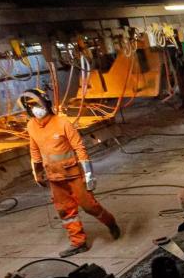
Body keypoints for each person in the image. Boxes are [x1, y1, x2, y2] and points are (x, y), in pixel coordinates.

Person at [19, 89, 121, 257]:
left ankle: (110, 223)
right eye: (31, 106)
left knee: (89, 206)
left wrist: (89, 175)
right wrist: (37, 172)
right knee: (65, 211)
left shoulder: (62, 123)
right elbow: (34, 150)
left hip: (73, 174)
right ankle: (78, 242)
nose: (36, 109)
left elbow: (79, 148)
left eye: (38, 104)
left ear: (46, 104)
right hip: (54, 176)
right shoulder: (31, 126)